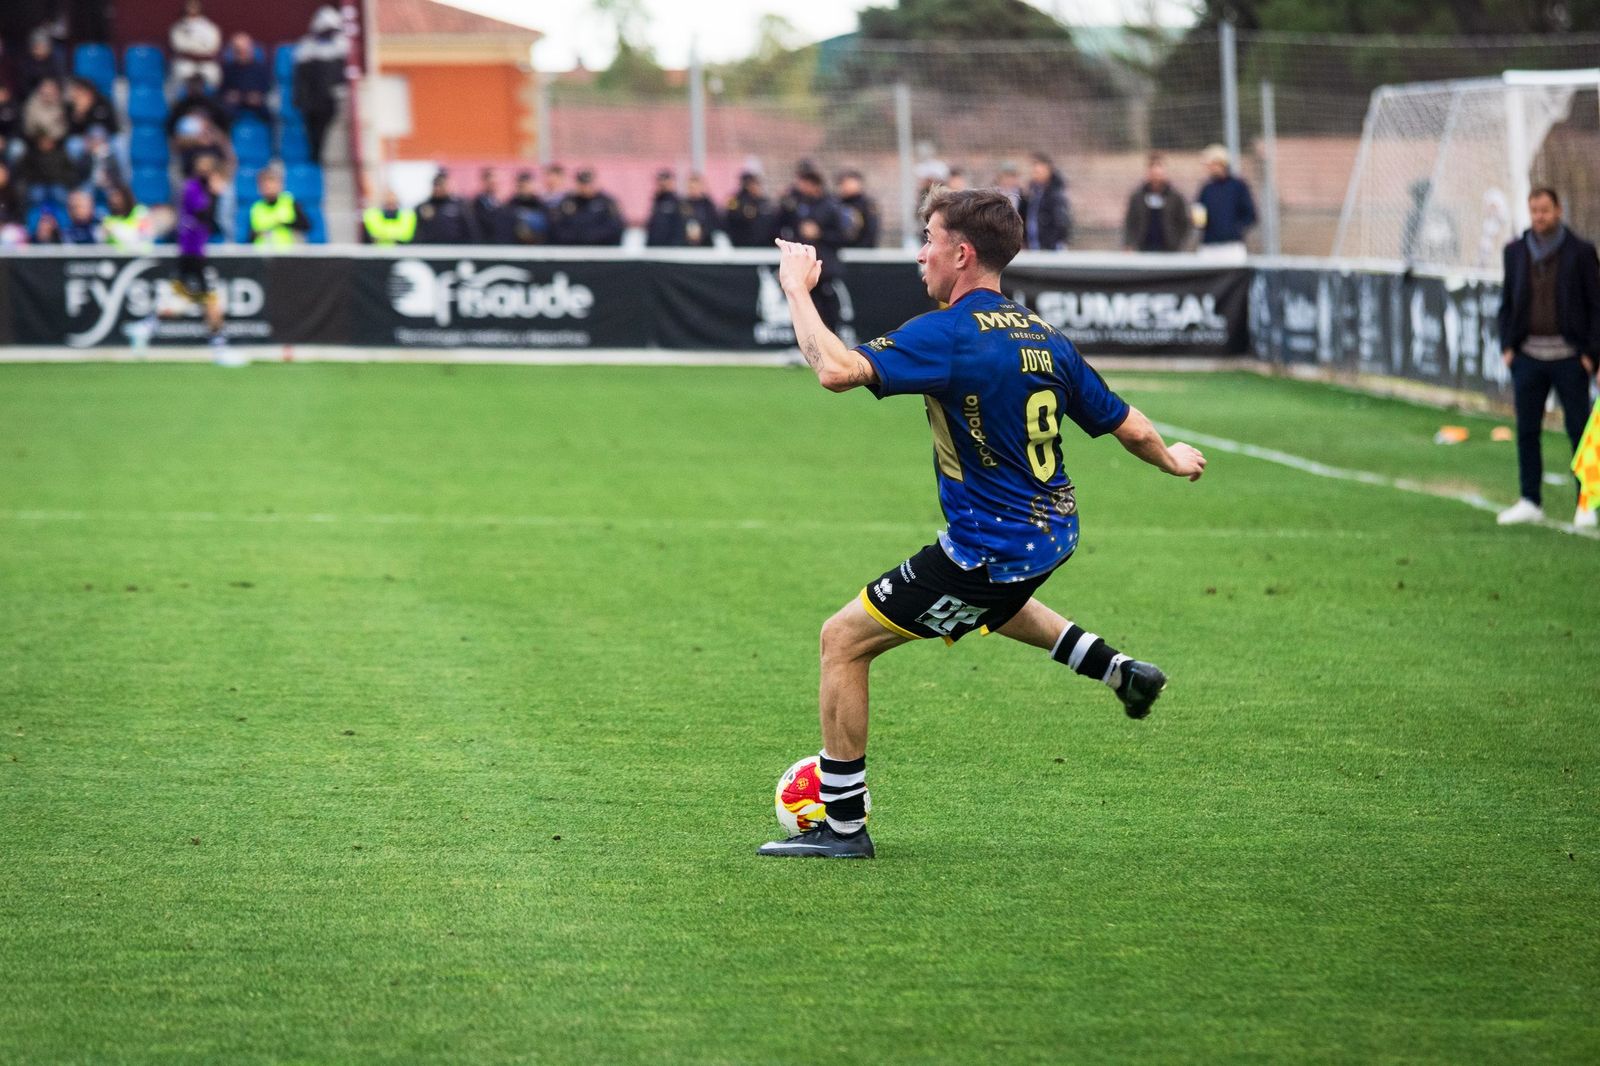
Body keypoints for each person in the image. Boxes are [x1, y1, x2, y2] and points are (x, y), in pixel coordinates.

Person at [756, 187, 1206, 859]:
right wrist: (1170, 459)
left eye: (929, 238)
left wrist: (797, 289)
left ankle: (844, 827)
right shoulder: (1042, 336)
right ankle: (1120, 671)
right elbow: (1125, 422)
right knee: (990, 603)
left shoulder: (950, 333)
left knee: (842, 641)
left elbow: (837, 370)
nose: (921, 253)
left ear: (961, 253)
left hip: (990, 548)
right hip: (1052, 533)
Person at [1495, 187, 1600, 530]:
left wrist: (1590, 355)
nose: (1539, 216)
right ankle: (1529, 499)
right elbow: (1507, 301)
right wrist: (1508, 347)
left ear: (1558, 210)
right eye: (1533, 210)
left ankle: (1586, 501)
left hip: (1570, 357)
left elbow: (1595, 305)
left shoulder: (1581, 252)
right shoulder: (1514, 251)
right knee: (1527, 430)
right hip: (1528, 356)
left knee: (1579, 430)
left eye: (1544, 210)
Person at [163, 152, 234, 362]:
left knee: (185, 298)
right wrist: (215, 194)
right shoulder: (194, 188)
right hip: (192, 251)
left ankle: (145, 327)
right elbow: (204, 215)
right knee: (209, 299)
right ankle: (219, 348)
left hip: (194, 250)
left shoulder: (198, 188)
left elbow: (211, 224)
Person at [776, 161, 848, 331]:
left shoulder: (831, 206)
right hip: (803, 266)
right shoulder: (795, 203)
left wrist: (819, 233)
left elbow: (843, 237)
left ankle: (832, 337)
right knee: (803, 305)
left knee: (827, 306)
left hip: (825, 266)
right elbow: (779, 225)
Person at [292, 6, 348, 167]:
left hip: (328, 100)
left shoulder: (339, 47)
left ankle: (318, 155)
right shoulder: (306, 47)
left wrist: (339, 91)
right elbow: (300, 79)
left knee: (323, 129)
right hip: (311, 100)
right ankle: (314, 156)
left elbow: (340, 77)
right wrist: (301, 99)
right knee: (312, 131)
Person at [1194, 144, 1256, 257]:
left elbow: (1250, 215)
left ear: (1221, 164)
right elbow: (1199, 215)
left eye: (1211, 164)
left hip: (1232, 247)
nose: (1209, 168)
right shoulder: (1206, 188)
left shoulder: (1238, 186)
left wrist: (1235, 230)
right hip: (1209, 246)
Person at [1122, 152, 1190, 253]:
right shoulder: (1137, 197)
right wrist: (1128, 244)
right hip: (1143, 248)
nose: (1156, 176)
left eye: (1158, 172)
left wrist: (1178, 243)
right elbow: (1130, 222)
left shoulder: (1175, 197)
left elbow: (1185, 223)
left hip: (1169, 249)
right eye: (1153, 172)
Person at [551, 168, 623, 246]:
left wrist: (591, 237)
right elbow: (558, 228)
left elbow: (615, 227)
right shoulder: (567, 202)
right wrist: (579, 238)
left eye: (589, 183)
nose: (586, 187)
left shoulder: (607, 202)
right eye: (583, 183)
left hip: (602, 250)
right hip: (573, 250)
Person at [248, 165, 312, 247]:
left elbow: (306, 226)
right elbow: (250, 237)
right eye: (265, 184)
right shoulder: (256, 208)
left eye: (272, 183)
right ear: (259, 187)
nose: (269, 187)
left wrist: (282, 224)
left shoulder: (290, 202)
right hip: (263, 256)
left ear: (280, 184)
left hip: (288, 255)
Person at [413, 169, 480, 244]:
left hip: (455, 250)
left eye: (441, 184)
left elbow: (471, 230)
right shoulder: (423, 207)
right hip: (430, 250)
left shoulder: (460, 205)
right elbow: (418, 232)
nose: (438, 188)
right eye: (435, 185)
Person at [1023, 152, 1072, 251]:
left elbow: (1061, 222)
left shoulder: (1055, 194)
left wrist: (1054, 242)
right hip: (1033, 247)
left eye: (1038, 171)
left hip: (1050, 248)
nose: (1035, 173)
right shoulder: (1032, 193)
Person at [220, 33, 272, 125]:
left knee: (272, 112)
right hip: (235, 104)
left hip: (257, 104)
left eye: (244, 49)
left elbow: (267, 88)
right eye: (238, 50)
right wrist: (229, 95)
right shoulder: (228, 69)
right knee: (222, 112)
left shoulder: (261, 68)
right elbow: (222, 89)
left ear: (250, 49)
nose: (241, 53)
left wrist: (259, 97)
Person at [169, 0, 223, 89]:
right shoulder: (178, 27)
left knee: (214, 78)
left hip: (206, 63)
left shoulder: (210, 27)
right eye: (190, 6)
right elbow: (178, 46)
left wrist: (192, 44)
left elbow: (213, 47)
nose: (192, 8)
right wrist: (200, 45)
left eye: (195, 6)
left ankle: (210, 102)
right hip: (185, 62)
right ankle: (176, 103)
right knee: (177, 78)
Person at [492, 171, 549, 245]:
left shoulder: (540, 205)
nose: (524, 189)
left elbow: (547, 227)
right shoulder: (510, 205)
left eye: (527, 185)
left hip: (538, 247)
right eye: (522, 186)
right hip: (515, 246)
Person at [722, 171, 776, 248]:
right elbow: (731, 218)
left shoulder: (763, 201)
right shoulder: (736, 200)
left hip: (763, 245)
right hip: (742, 244)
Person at [836, 169, 880, 249]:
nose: (845, 186)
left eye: (849, 183)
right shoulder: (836, 203)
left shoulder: (867, 204)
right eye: (843, 183)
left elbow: (871, 231)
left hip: (862, 252)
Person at [102, 184, 154, 250]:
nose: (115, 201)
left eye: (118, 197)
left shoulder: (141, 212)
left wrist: (115, 230)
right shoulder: (108, 219)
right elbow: (104, 242)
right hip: (117, 258)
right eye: (112, 197)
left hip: (141, 257)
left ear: (126, 196)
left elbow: (143, 237)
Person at [645, 168, 685, 247]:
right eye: (660, 181)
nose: (662, 184)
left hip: (670, 248)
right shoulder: (657, 201)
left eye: (664, 180)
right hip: (655, 247)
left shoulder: (677, 202)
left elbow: (679, 227)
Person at [680, 173, 718, 247]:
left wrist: (702, 232)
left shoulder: (708, 205)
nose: (693, 190)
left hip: (705, 245)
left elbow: (715, 223)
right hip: (685, 246)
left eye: (695, 187)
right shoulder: (682, 204)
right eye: (691, 187)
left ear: (701, 187)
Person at [470, 167, 500, 242]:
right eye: (491, 183)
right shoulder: (478, 202)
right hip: (484, 242)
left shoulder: (498, 202)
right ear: (484, 182)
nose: (494, 185)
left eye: (495, 183)